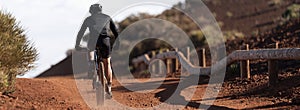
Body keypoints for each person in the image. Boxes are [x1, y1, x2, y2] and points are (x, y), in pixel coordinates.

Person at [75, 4, 119, 98]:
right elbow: (115, 31)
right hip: (105, 41)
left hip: (93, 40)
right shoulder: (107, 17)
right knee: (107, 63)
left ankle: (91, 62)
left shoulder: (88, 19)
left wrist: (77, 44)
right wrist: (117, 43)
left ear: (91, 11)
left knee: (90, 49)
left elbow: (81, 32)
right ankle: (109, 89)